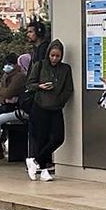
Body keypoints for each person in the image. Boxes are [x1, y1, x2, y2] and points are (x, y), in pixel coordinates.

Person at [24, 40, 73, 181]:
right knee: (42, 138)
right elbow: (29, 84)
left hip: (56, 107)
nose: (54, 59)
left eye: (57, 56)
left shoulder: (65, 69)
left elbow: (68, 89)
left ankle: (35, 160)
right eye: (52, 55)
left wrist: (60, 100)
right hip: (40, 106)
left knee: (58, 137)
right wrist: (40, 86)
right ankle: (44, 169)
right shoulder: (40, 65)